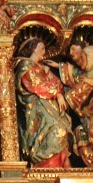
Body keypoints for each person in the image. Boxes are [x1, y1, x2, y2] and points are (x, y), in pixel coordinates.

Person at [15, 39, 72, 168]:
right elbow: (37, 86)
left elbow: (58, 83)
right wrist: (56, 92)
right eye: (41, 48)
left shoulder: (42, 68)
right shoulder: (25, 65)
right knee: (57, 129)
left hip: (49, 107)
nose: (44, 51)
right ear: (33, 48)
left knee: (62, 128)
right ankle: (46, 165)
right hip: (37, 109)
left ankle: (61, 164)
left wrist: (57, 92)